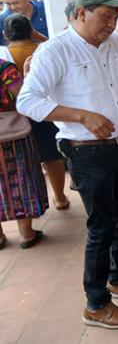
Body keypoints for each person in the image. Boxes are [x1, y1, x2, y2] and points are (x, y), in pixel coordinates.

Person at [16, 0, 118, 329]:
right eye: (105, 16)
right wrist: (81, 115)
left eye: (115, 17)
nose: (111, 24)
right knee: (101, 226)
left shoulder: (117, 44)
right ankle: (96, 304)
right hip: (88, 152)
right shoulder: (55, 51)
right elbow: (28, 101)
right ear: (81, 14)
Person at [3, 14, 69, 210]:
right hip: (44, 111)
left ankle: (29, 204)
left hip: (15, 118)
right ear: (31, 31)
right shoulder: (43, 51)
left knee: (23, 162)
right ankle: (59, 196)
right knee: (51, 155)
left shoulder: (4, 56)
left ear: (5, 34)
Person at [0, 59, 48, 250]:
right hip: (13, 135)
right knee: (21, 179)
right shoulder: (5, 69)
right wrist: (26, 76)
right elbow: (23, 99)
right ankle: (26, 233)